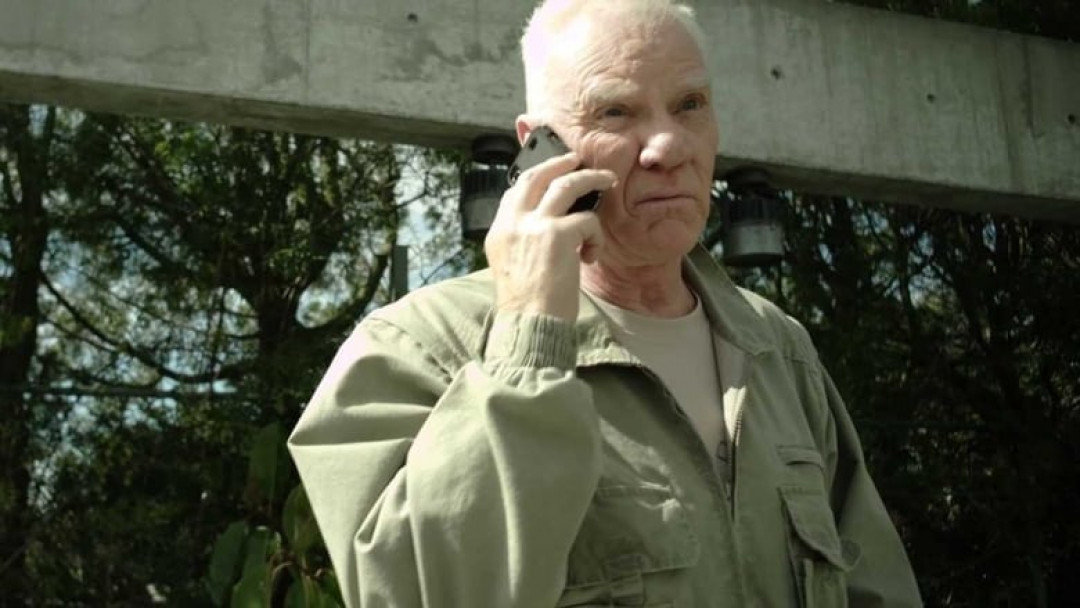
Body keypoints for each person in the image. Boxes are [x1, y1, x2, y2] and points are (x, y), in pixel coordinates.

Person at [288, 0, 923, 605]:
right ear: (540, 145)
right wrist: (528, 339)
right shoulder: (414, 348)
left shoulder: (780, 350)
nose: (668, 146)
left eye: (690, 104)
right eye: (616, 113)